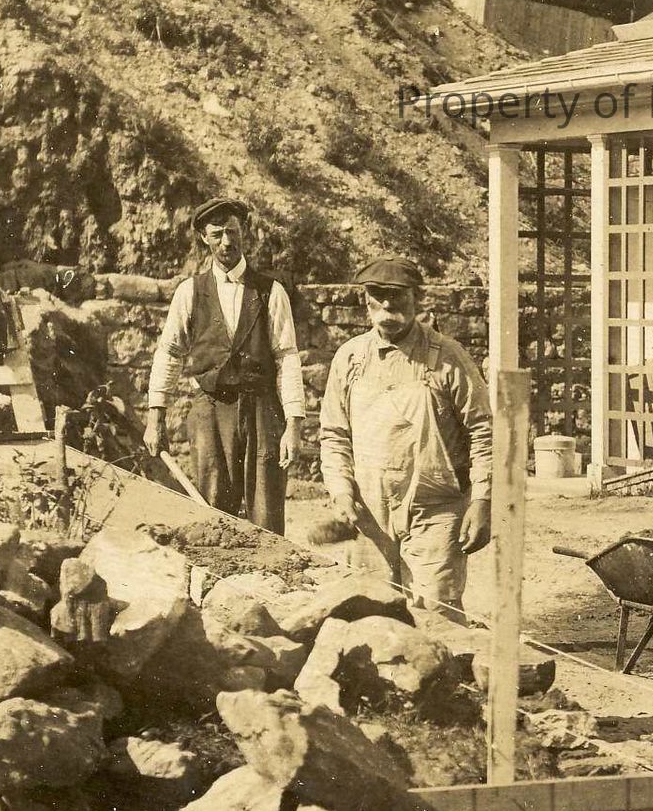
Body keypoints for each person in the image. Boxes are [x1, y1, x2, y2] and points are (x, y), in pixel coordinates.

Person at [317, 254, 492, 618]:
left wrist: (482, 500)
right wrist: (341, 492)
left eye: (397, 294)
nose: (387, 304)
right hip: (369, 514)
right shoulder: (350, 358)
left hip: (435, 510)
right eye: (378, 294)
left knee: (437, 616)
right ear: (366, 299)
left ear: (417, 297)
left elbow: (483, 431)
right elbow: (334, 435)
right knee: (370, 617)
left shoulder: (448, 357)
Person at [144, 196, 304, 533]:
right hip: (211, 410)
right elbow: (169, 352)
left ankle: (268, 568)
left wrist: (294, 424)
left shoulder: (271, 291)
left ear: (244, 231)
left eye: (232, 232)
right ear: (204, 237)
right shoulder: (190, 292)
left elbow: (287, 357)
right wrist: (155, 416)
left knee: (266, 510)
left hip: (262, 409)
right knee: (212, 509)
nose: (226, 242)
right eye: (217, 234)